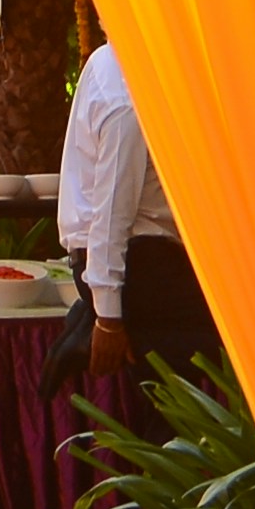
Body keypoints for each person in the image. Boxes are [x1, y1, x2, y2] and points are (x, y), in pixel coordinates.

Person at [56, 40, 218, 412]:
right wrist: (109, 317)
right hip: (142, 259)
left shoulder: (110, 59)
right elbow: (111, 211)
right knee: (183, 392)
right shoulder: (127, 99)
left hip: (137, 254)